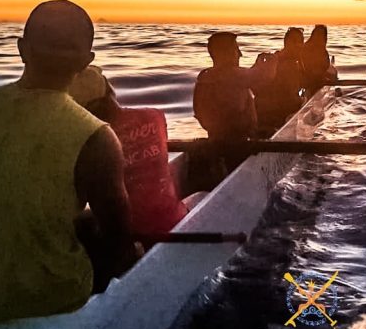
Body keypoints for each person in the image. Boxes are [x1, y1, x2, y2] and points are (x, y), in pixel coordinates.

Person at [0, 0, 137, 320]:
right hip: (54, 300)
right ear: (86, 61)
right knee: (114, 242)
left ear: (21, 49)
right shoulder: (96, 135)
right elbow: (119, 240)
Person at [69, 66, 204, 236]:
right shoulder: (154, 116)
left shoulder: (86, 141)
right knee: (202, 195)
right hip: (171, 221)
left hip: (128, 235)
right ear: (110, 91)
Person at [193, 32, 276, 173]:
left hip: (216, 139)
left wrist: (257, 65)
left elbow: (247, 76)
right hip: (238, 146)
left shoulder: (205, 76)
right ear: (225, 53)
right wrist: (274, 61)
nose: (240, 54)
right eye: (236, 49)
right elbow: (265, 78)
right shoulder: (233, 74)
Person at [253, 27, 306, 136]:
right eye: (297, 42)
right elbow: (289, 98)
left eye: (301, 42)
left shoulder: (272, 58)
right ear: (287, 43)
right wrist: (304, 102)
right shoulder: (288, 66)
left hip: (262, 113)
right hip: (277, 115)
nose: (301, 46)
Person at [301, 24, 337, 95]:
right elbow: (310, 71)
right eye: (318, 34)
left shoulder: (322, 51)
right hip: (310, 83)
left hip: (317, 80)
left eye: (322, 35)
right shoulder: (306, 49)